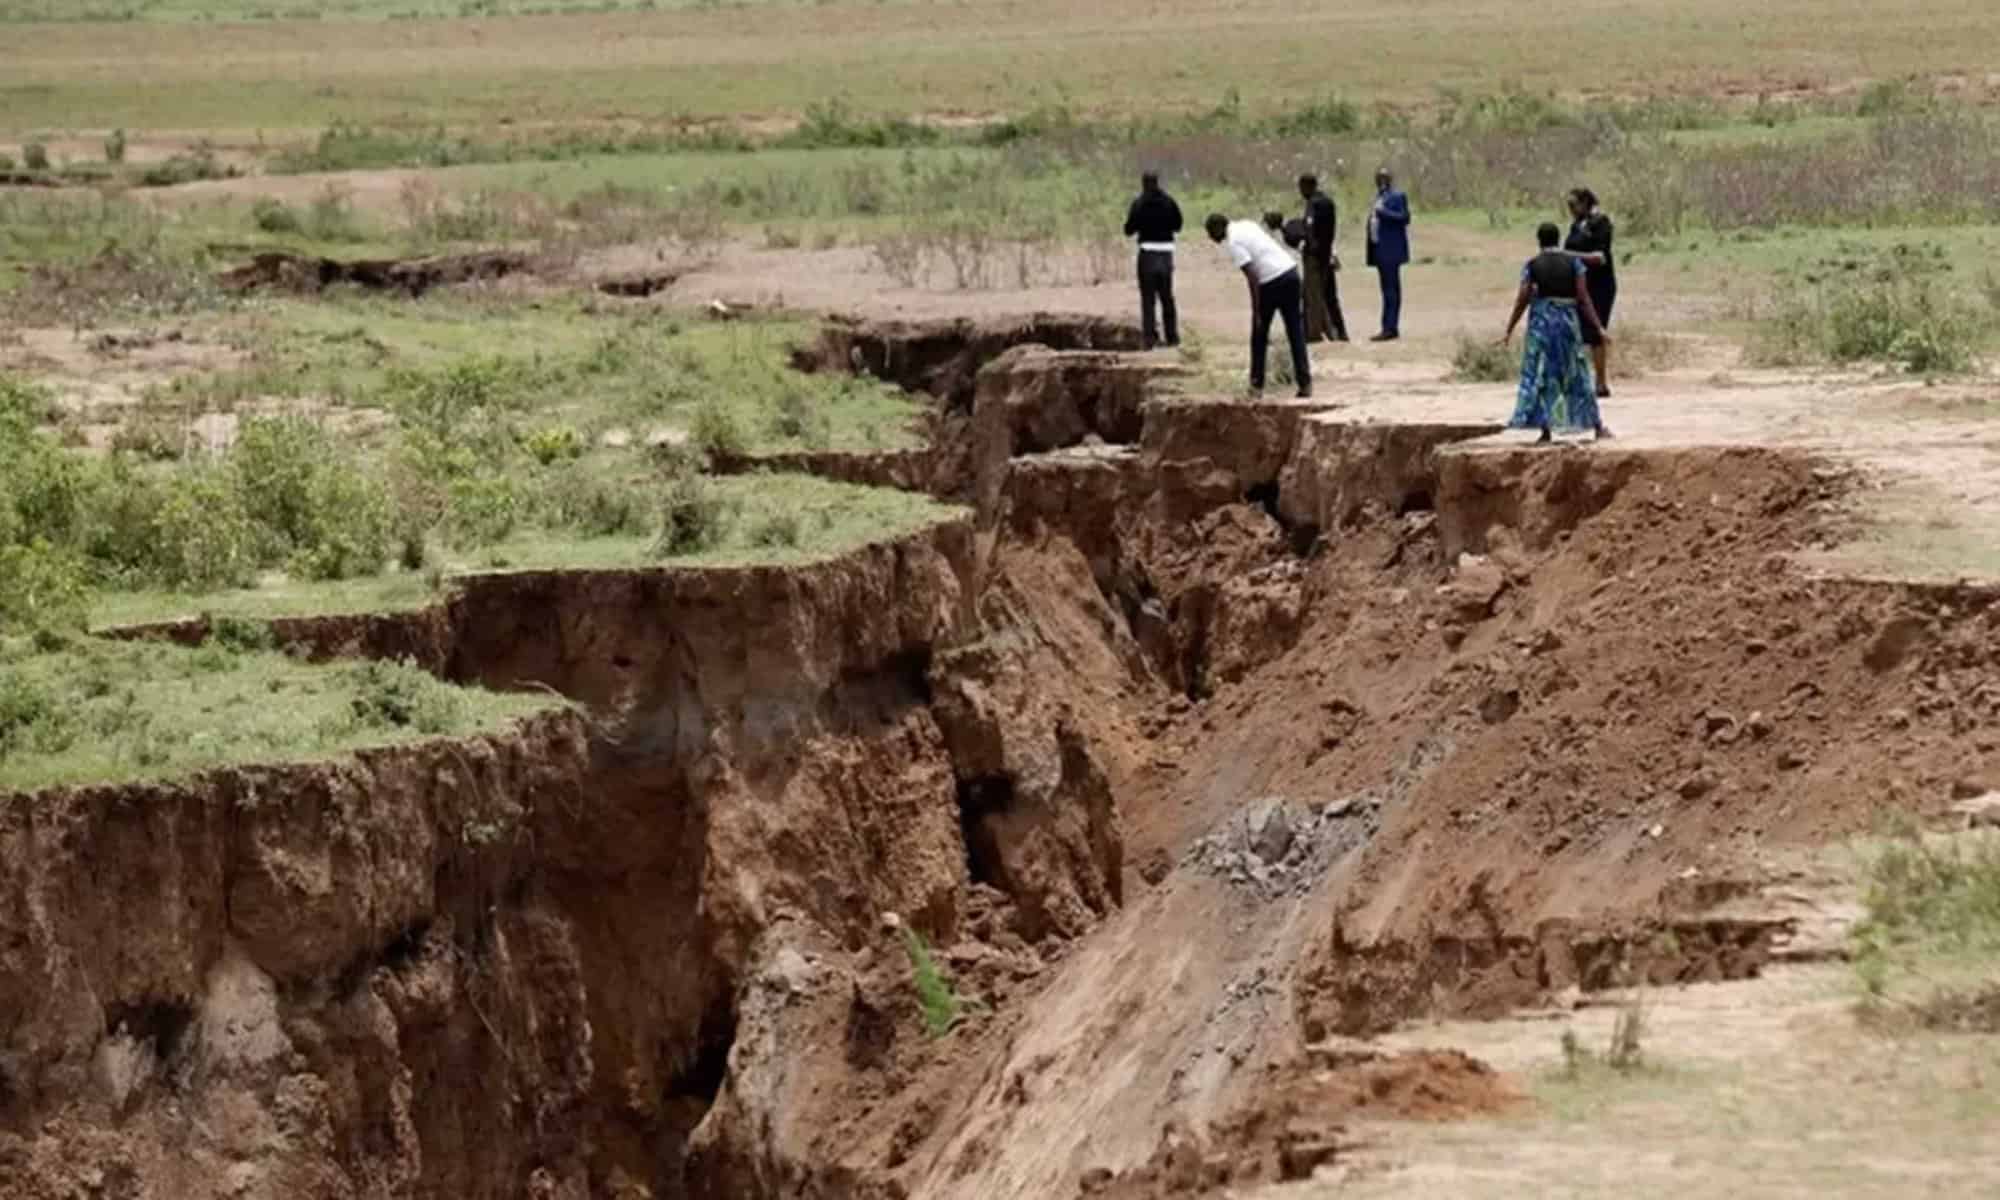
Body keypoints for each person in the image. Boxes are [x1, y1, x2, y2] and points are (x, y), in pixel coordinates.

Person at [1502, 223, 1612, 443]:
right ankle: (1597, 426)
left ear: (1539, 241)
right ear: (1558, 239)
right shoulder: (1574, 263)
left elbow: (1523, 298)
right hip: (1567, 323)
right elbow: (1583, 298)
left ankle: (1546, 430)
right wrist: (1599, 327)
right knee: (1577, 373)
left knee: (1542, 374)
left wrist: (1510, 328)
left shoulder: (1532, 265)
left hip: (1541, 325)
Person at [1205, 213, 1311, 398]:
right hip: (1290, 273)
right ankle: (1305, 383)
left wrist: (1257, 312)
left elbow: (1252, 277)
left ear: (1218, 228)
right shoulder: (1246, 224)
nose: (1211, 237)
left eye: (1210, 232)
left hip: (1271, 282)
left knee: (1259, 336)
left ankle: (1256, 386)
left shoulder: (1233, 242)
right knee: (1295, 331)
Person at [1563, 187, 1616, 398]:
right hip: (1580, 283)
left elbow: (1600, 257)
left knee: (1596, 331)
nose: (1570, 210)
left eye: (1573, 205)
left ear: (1585, 203)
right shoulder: (1576, 225)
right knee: (1575, 331)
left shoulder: (1601, 223)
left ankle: (1601, 383)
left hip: (1600, 284)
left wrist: (1567, 255)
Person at [1123, 171, 1183, 349]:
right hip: (1166, 253)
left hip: (1147, 253)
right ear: (1158, 182)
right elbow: (1178, 225)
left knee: (1148, 299)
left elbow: (1129, 230)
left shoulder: (1139, 203)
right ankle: (1172, 337)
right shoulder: (1169, 201)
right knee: (1167, 297)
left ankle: (1149, 339)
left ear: (1143, 184)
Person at [1297, 173, 1349, 342]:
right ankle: (1339, 332)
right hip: (1326, 254)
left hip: (1316, 257)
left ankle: (1314, 333)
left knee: (1313, 295)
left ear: (1307, 187)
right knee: (1329, 296)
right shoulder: (1326, 201)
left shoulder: (1315, 203)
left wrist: (1310, 247)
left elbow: (1311, 229)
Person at [1364, 168, 1410, 341]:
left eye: (1384, 178)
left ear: (1389, 180)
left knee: (1391, 290)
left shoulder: (1397, 196)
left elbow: (1404, 218)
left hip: (1391, 250)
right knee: (1386, 290)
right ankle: (1389, 326)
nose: (1381, 182)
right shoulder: (1378, 197)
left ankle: (1390, 328)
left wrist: (1384, 213)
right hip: (1379, 249)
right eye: (1378, 178)